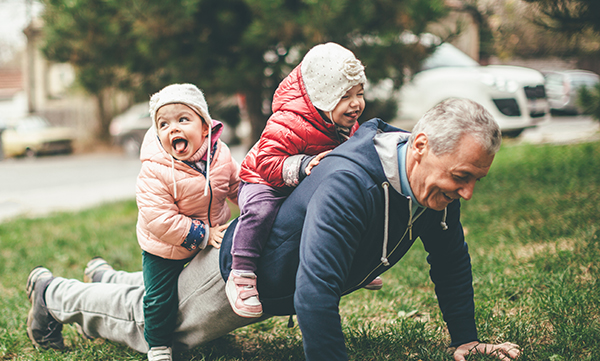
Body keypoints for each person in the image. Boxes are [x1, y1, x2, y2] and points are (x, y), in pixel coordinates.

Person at [25, 98, 521, 361]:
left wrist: (466, 339)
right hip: (237, 276)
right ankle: (52, 294)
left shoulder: (430, 185)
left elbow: (450, 258)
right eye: (462, 177)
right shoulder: (353, 182)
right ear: (420, 146)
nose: (468, 193)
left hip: (266, 277)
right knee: (147, 324)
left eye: (475, 179)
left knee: (157, 296)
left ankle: (109, 276)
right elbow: (315, 291)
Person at [227, 42, 382, 319]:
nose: (356, 103)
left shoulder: (343, 123)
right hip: (264, 179)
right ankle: (241, 272)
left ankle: (352, 264)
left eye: (359, 93)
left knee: (342, 207)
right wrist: (300, 165)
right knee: (261, 211)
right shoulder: (286, 122)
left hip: (305, 179)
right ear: (322, 97)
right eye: (345, 96)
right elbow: (266, 161)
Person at [106, 83, 241, 361]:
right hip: (164, 245)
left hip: (210, 232)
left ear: (205, 127)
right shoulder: (154, 170)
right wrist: (204, 234)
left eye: (183, 119)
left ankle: (213, 325)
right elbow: (160, 220)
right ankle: (157, 345)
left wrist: (256, 205)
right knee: (160, 297)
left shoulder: (221, 155)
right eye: (163, 124)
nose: (173, 129)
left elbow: (237, 185)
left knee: (212, 281)